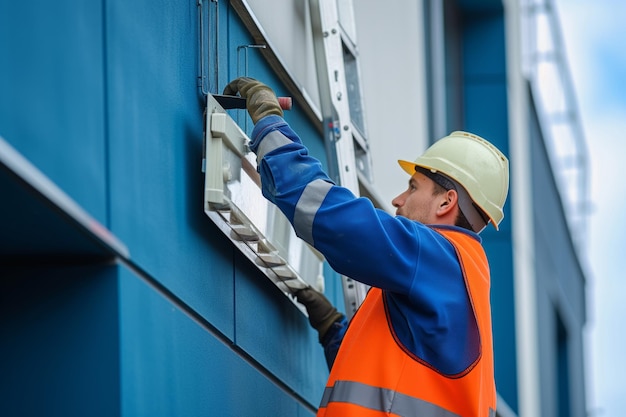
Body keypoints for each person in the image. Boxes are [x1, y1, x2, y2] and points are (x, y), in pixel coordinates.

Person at [223, 77, 509, 417]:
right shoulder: (462, 278)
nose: (397, 199)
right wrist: (334, 331)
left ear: (446, 202)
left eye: (412, 187)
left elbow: (334, 217)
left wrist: (270, 125)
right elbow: (395, 384)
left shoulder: (436, 256)